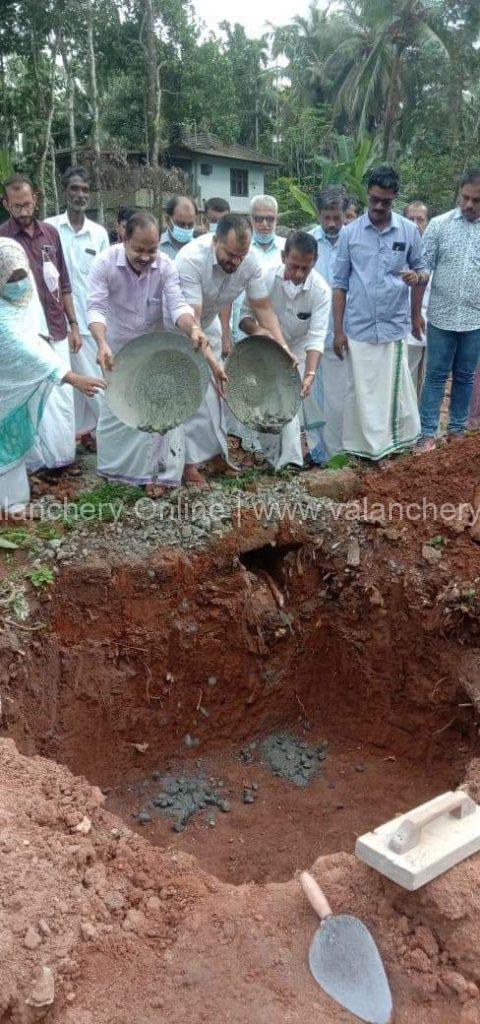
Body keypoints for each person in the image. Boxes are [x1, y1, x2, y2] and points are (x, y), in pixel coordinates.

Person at [87, 211, 224, 497]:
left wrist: (194, 330)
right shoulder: (104, 263)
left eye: (152, 250)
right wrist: (100, 342)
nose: (147, 256)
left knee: (158, 411)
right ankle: (117, 474)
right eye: (139, 250)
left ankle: (157, 475)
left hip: (152, 349)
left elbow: (178, 306)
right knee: (118, 413)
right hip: (117, 350)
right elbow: (96, 307)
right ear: (124, 237)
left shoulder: (166, 266)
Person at [176, 213, 293, 487]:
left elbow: (262, 307)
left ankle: (217, 456)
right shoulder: (191, 259)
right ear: (215, 240)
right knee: (193, 391)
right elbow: (192, 316)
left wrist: (283, 347)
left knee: (217, 396)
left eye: (241, 256)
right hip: (183, 326)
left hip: (210, 324)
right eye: (230, 254)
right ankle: (189, 464)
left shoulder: (249, 260)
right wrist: (210, 363)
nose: (236, 261)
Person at [0, 239, 105, 516]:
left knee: (8, 452)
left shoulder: (16, 306)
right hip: (3, 399)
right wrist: (73, 378)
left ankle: (13, 506)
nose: (20, 283)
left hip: (7, 402)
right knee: (5, 452)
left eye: (23, 275)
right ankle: (12, 509)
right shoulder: (3, 318)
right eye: (12, 278)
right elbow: (26, 352)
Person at [332, 164, 429, 463]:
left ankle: (388, 449)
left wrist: (417, 282)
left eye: (385, 201)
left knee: (390, 393)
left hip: (392, 325)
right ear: (366, 196)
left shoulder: (409, 231)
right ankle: (362, 451)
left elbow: (422, 271)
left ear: (394, 198)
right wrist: (338, 330)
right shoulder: (349, 234)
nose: (378, 206)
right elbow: (339, 284)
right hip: (359, 327)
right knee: (361, 393)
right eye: (373, 199)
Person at [0, 173, 81, 479]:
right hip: (24, 333)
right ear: (6, 203)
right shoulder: (3, 241)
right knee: (30, 397)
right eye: (16, 205)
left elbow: (65, 283)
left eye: (27, 203)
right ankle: (34, 465)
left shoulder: (50, 233)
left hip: (57, 325)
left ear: (35, 198)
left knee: (61, 398)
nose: (23, 209)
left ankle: (62, 460)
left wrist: (73, 324)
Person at [239, 231, 330, 469]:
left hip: (296, 355)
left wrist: (310, 373)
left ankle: (290, 463)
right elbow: (244, 318)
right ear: (283, 257)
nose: (299, 274)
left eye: (305, 268)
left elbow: (316, 337)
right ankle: (269, 457)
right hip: (264, 349)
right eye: (294, 266)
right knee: (263, 405)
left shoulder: (321, 291)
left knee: (289, 405)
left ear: (314, 262)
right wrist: (262, 333)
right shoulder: (265, 278)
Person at [416, 167, 480, 453]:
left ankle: (456, 430)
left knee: (465, 376)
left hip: (475, 319)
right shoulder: (439, 225)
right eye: (465, 197)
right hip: (440, 317)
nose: (468, 204)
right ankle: (427, 433)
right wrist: (415, 311)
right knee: (435, 376)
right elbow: (423, 270)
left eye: (476, 200)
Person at [46, 166, 109, 451]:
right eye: (75, 189)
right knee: (60, 388)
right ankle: (65, 443)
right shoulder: (48, 229)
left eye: (85, 190)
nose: (80, 195)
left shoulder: (98, 234)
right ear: (64, 191)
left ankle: (106, 435)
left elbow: (106, 281)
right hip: (53, 325)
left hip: (88, 322)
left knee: (93, 385)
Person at [309, 185, 349, 462]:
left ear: (345, 214)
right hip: (313, 332)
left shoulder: (354, 240)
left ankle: (341, 449)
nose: (332, 223)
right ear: (319, 214)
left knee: (342, 395)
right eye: (327, 217)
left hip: (345, 332)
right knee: (315, 396)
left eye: (337, 217)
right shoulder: (308, 241)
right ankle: (317, 451)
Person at [403, 201, 430, 398]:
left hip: (435, 323)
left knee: (430, 377)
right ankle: (406, 425)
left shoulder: (434, 248)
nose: (415, 223)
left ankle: (425, 423)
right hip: (406, 324)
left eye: (420, 219)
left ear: (427, 223)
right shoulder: (398, 249)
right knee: (407, 375)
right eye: (410, 218)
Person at [159, 195, 197, 261]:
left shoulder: (199, 249)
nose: (186, 229)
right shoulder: (155, 248)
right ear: (167, 219)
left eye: (190, 224)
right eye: (181, 224)